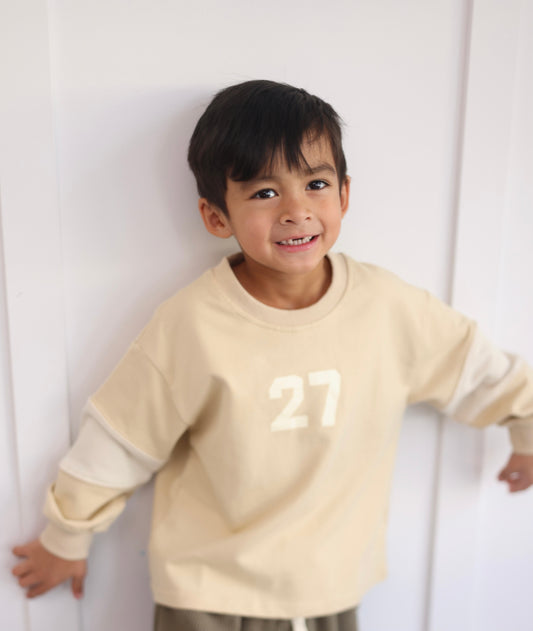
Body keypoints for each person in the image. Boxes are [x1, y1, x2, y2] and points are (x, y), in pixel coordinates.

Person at [12, 80, 533, 631]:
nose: (295, 210)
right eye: (264, 193)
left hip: (328, 590)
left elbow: (471, 365)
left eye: (316, 184)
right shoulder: (193, 324)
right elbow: (121, 436)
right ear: (217, 217)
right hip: (208, 594)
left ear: (344, 195)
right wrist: (66, 536)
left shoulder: (387, 308)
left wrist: (524, 420)